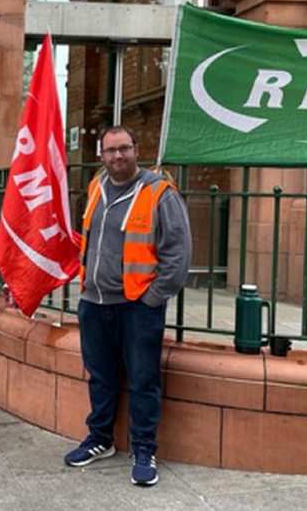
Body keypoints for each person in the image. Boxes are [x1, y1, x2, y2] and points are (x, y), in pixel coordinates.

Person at [65, 125, 191, 487]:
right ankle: (100, 439)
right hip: (94, 303)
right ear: (101, 154)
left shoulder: (160, 194)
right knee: (101, 377)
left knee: (142, 380)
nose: (117, 156)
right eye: (110, 150)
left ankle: (144, 449)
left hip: (138, 306)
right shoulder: (95, 186)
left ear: (137, 150)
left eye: (124, 149)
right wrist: (87, 287)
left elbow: (178, 256)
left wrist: (151, 299)